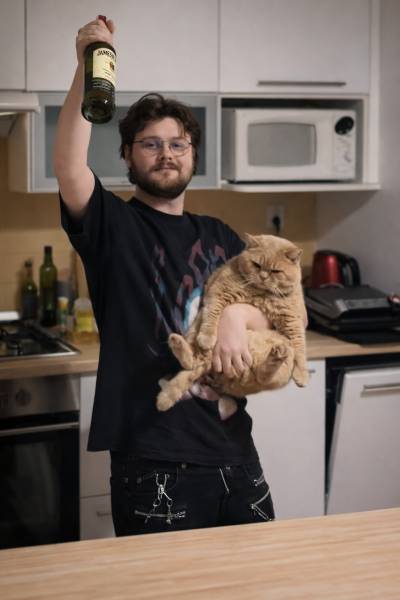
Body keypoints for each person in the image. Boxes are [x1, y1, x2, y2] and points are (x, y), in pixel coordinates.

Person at [54, 17, 277, 536]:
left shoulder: (220, 234)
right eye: (150, 144)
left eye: (178, 144)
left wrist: (234, 317)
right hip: (156, 463)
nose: (166, 155)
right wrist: (87, 65)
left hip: (237, 455)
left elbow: (277, 310)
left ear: (193, 154)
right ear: (128, 156)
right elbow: (68, 166)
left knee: (261, 577)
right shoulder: (112, 225)